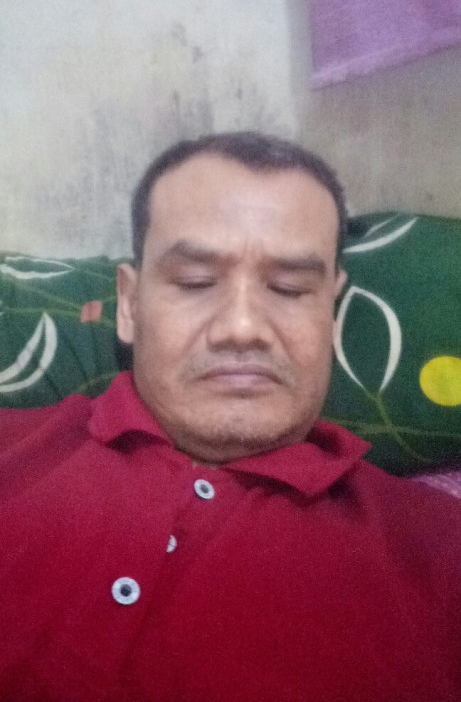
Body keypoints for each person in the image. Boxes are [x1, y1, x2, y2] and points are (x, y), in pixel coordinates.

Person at [0, 131, 460, 702]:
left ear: (332, 311)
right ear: (130, 305)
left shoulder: (440, 553)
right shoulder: (12, 450)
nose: (242, 328)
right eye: (195, 282)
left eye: (289, 289)